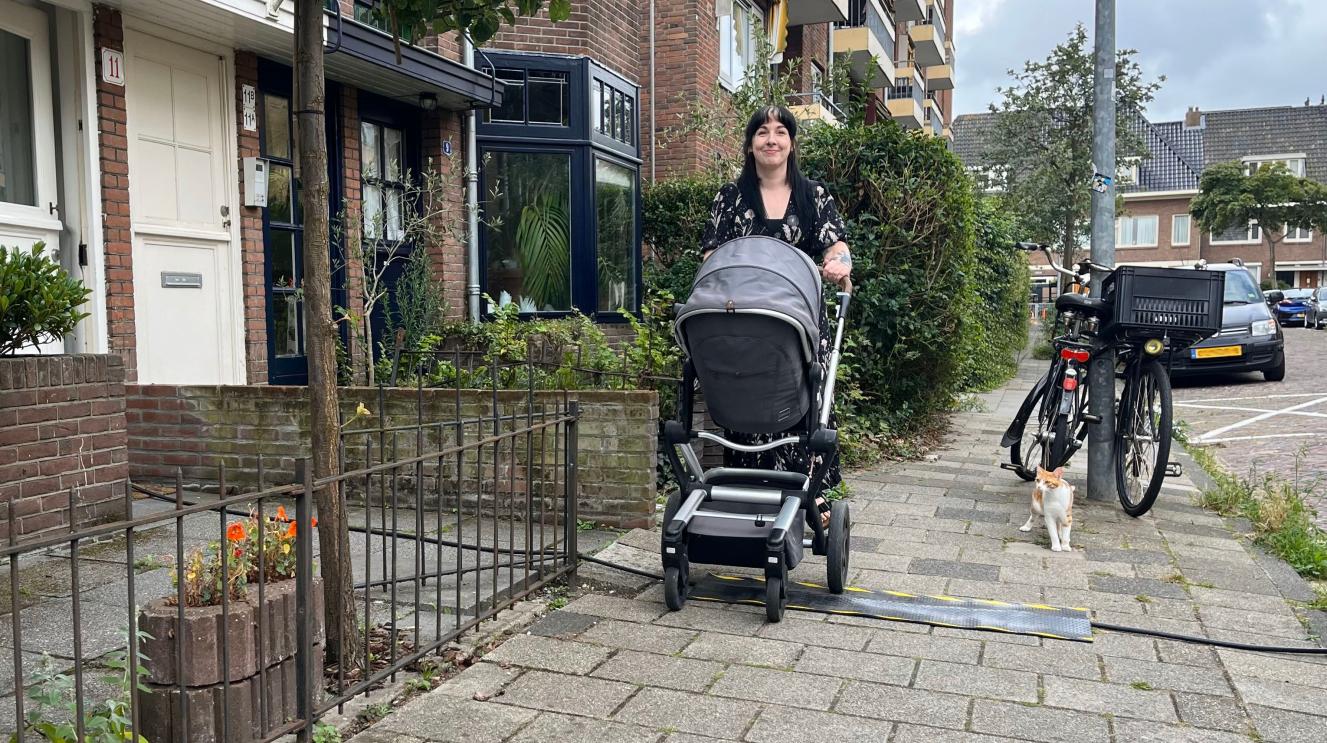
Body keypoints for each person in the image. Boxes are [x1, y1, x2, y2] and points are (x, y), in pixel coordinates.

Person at [698, 105, 853, 528]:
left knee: (803, 399)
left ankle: (809, 492)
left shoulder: (813, 195)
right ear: (750, 145)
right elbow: (712, 257)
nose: (771, 139)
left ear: (792, 143)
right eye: (762, 132)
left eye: (781, 131)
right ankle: (749, 489)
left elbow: (836, 245)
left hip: (799, 320)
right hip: (743, 318)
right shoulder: (729, 198)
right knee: (747, 394)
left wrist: (839, 262)